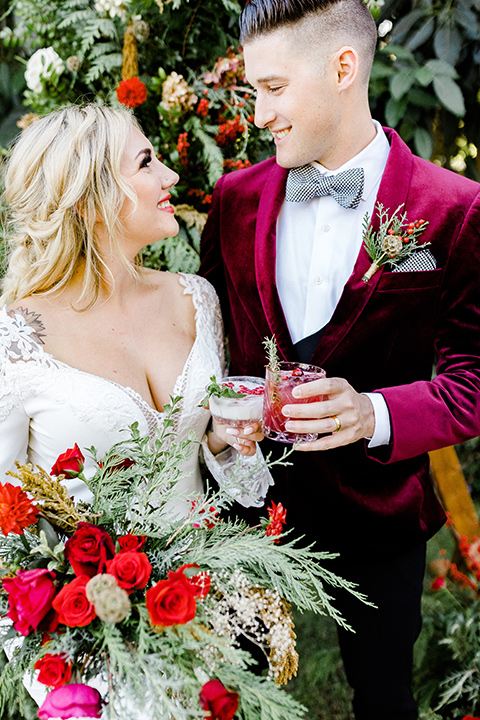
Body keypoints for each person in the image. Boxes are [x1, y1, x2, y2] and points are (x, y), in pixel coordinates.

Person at [200, 0, 480, 717]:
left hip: (379, 512)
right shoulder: (232, 202)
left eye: (273, 87)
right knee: (236, 696)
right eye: (252, 91)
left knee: (384, 695)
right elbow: (212, 352)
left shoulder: (453, 209)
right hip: (250, 511)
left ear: (343, 67)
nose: (259, 114)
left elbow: (472, 381)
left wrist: (373, 412)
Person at [0, 104, 266, 516]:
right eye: (146, 164)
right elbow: (6, 521)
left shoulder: (195, 300)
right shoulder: (15, 338)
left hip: (211, 570)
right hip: (91, 580)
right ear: (88, 201)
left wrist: (223, 439)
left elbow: (205, 462)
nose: (170, 176)